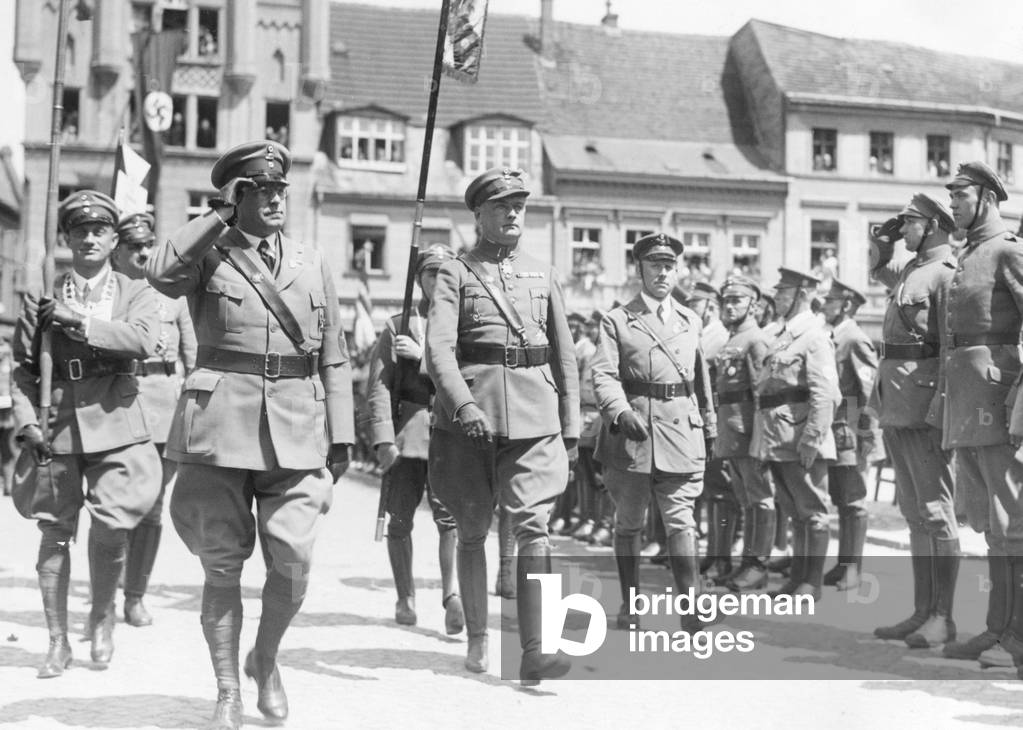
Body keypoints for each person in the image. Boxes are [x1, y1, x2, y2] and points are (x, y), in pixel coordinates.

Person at [146, 140, 354, 729]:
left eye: (278, 189)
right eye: (258, 191)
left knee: (294, 561)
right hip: (219, 427)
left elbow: (334, 354)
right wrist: (218, 214)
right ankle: (227, 690)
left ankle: (265, 658)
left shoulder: (312, 261)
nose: (274, 199)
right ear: (236, 197)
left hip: (298, 426)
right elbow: (160, 273)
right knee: (222, 566)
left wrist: (341, 433)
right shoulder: (207, 253)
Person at [426, 167, 579, 685]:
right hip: (471, 420)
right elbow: (438, 350)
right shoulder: (455, 273)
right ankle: (477, 635)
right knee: (472, 530)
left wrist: (570, 425)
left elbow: (564, 355)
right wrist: (463, 405)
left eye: (519, 205)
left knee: (535, 527)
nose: (513, 214)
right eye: (501, 206)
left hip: (536, 415)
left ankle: (537, 649)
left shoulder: (542, 272)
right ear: (479, 214)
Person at [9, 190, 162, 677]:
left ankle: (101, 618)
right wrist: (27, 423)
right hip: (58, 424)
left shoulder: (134, 291)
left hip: (118, 420)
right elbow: (22, 370)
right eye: (80, 231)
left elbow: (142, 340)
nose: (90, 238)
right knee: (54, 532)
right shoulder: (42, 296)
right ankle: (57, 640)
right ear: (66, 239)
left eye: (99, 231)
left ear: (115, 240)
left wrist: (80, 322)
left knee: (113, 525)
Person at [591, 233, 716, 631]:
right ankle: (630, 606)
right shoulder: (617, 320)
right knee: (629, 522)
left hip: (680, 433)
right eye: (654, 266)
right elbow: (604, 375)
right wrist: (619, 410)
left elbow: (699, 380)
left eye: (668, 266)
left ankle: (690, 608)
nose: (662, 273)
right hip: (634, 436)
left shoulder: (690, 320)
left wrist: (709, 424)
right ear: (639, 270)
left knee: (682, 521)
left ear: (676, 271)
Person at [939, 162, 1023, 669]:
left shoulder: (1007, 250)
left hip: (997, 398)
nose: (953, 205)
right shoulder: (967, 253)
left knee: (1012, 523)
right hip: (968, 400)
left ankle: (1017, 637)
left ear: (987, 198)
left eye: (960, 197)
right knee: (991, 524)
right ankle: (997, 628)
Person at [868, 193, 960, 648]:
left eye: (909, 222)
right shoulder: (910, 269)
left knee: (937, 514)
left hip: (924, 408)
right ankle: (922, 611)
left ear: (934, 226)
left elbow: (951, 348)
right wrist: (884, 241)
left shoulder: (947, 274)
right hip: (897, 404)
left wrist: (940, 406)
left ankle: (943, 617)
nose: (902, 228)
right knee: (915, 514)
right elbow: (878, 270)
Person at [362, 243, 464, 634]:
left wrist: (421, 357)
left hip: (450, 432)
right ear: (419, 279)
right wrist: (383, 438)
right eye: (430, 273)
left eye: (445, 273)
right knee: (400, 519)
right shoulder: (398, 325)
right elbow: (379, 387)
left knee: (449, 519)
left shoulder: (465, 325)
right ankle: (405, 596)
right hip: (408, 434)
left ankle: (451, 595)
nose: (438, 280)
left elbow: (466, 376)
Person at [111, 212, 198, 627]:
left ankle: (135, 595)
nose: (144, 253)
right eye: (134, 246)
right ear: (117, 252)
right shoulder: (107, 295)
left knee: (152, 505)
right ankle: (109, 582)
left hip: (163, 407)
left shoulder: (173, 297)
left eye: (149, 245)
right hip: (116, 405)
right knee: (115, 501)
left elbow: (194, 359)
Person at [752, 267, 840, 601]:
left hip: (801, 438)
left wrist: (812, 439)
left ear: (801, 295)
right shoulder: (785, 334)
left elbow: (825, 393)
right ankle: (797, 579)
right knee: (796, 512)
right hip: (779, 438)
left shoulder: (814, 336)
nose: (776, 297)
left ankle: (811, 583)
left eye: (783, 292)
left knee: (813, 512)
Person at [711, 276, 773, 592]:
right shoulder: (733, 339)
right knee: (746, 500)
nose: (729, 306)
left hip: (749, 433)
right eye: (726, 300)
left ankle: (757, 565)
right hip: (731, 432)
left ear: (753, 305)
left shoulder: (755, 340)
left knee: (760, 499)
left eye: (737, 300)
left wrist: (761, 439)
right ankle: (746, 565)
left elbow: (763, 395)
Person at [819, 278, 880, 593]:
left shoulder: (854, 339)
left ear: (845, 305)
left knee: (854, 501)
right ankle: (843, 565)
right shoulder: (833, 336)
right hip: (836, 431)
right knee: (842, 500)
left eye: (830, 301)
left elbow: (869, 392)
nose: (824, 305)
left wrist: (867, 437)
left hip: (852, 432)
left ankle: (853, 569)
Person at [680, 281, 736, 583]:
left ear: (710, 307)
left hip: (718, 420)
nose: (690, 309)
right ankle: (715, 555)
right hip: (707, 419)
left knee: (722, 491)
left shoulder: (716, 335)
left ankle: (721, 558)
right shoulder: (704, 333)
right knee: (714, 490)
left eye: (696, 304)